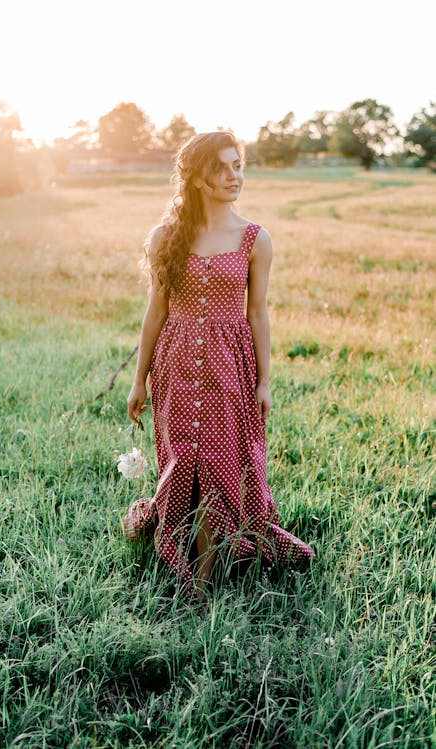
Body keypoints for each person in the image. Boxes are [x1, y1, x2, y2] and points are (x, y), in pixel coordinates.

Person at [124, 131, 315, 601]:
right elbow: (157, 311)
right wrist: (138, 379)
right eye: (223, 167)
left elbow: (257, 313)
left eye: (238, 166)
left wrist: (265, 381)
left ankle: (205, 571)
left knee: (219, 456)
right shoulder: (165, 237)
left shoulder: (255, 238)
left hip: (231, 364)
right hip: (176, 361)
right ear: (198, 177)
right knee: (181, 455)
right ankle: (187, 544)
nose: (235, 176)